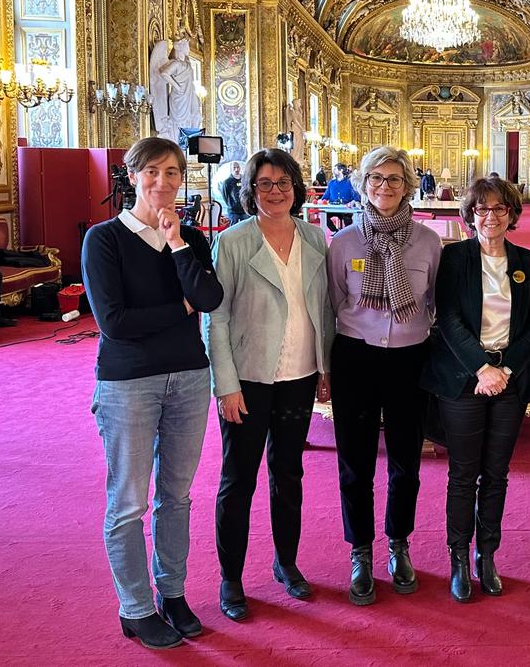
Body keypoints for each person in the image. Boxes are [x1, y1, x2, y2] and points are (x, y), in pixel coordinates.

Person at [81, 137, 223, 650]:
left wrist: (179, 242)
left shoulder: (191, 240)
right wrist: (182, 310)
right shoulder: (104, 240)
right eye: (153, 172)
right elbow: (115, 323)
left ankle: (174, 593)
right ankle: (136, 607)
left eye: (172, 173)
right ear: (132, 174)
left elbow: (209, 297)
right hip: (128, 382)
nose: (163, 183)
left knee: (177, 497)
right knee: (128, 502)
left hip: (187, 378)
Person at [205, 149, 335, 622]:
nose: (275, 191)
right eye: (265, 184)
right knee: (238, 480)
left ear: (296, 189)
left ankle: (286, 563)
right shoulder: (234, 242)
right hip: (248, 380)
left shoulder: (316, 238)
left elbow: (324, 308)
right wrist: (226, 385)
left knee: (289, 475)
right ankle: (231, 578)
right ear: (251, 191)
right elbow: (214, 319)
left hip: (299, 376)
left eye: (283, 182)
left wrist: (324, 368)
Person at [420, 177, 530, 602]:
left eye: (498, 209)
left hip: (510, 380)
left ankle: (486, 554)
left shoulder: (527, 260)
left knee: (497, 474)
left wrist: (505, 367)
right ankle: (458, 556)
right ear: (470, 214)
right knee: (462, 473)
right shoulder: (454, 257)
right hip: (464, 379)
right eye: (482, 209)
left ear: (511, 214)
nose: (490, 216)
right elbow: (449, 319)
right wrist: (481, 368)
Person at [326, 146, 442, 606]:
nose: (385, 187)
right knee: (354, 461)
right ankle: (360, 550)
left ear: (408, 185)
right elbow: (335, 301)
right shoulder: (344, 243)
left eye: (394, 179)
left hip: (409, 358)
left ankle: (399, 543)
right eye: (376, 178)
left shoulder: (429, 243)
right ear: (362, 184)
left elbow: (434, 302)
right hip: (356, 356)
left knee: (405, 461)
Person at [160, 39, 203, 133]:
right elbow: (164, 73)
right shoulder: (176, 63)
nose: (188, 48)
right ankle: (178, 142)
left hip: (189, 93)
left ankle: (190, 139)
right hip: (179, 96)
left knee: (196, 116)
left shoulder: (187, 64)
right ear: (180, 48)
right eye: (186, 46)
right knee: (180, 121)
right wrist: (177, 86)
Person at [321, 163, 361, 231]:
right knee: (324, 216)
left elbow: (356, 197)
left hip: (346, 210)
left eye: (335, 169)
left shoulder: (349, 182)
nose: (333, 171)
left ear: (341, 170)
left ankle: (347, 235)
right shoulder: (331, 183)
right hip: (333, 209)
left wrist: (352, 202)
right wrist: (321, 200)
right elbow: (326, 196)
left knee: (347, 220)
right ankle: (335, 231)